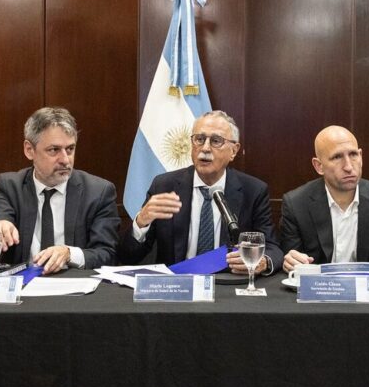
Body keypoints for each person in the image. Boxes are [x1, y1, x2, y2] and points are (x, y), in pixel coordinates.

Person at [117, 110, 282, 274]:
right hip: (177, 287)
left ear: (234, 150)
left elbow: (273, 248)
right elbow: (128, 257)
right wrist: (141, 223)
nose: (205, 148)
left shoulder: (253, 190)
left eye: (216, 141)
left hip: (228, 287)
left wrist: (263, 261)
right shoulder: (164, 186)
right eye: (199, 139)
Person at [0, 107, 119, 272]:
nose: (65, 160)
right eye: (54, 150)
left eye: (70, 149)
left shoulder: (98, 191)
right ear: (29, 150)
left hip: (75, 289)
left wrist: (69, 253)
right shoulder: (11, 185)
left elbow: (107, 254)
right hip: (23, 287)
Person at [280, 126, 369, 273]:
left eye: (353, 154)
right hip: (320, 291)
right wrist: (291, 261)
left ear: (361, 156)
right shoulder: (296, 204)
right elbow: (293, 261)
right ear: (319, 166)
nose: (349, 166)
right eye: (337, 157)